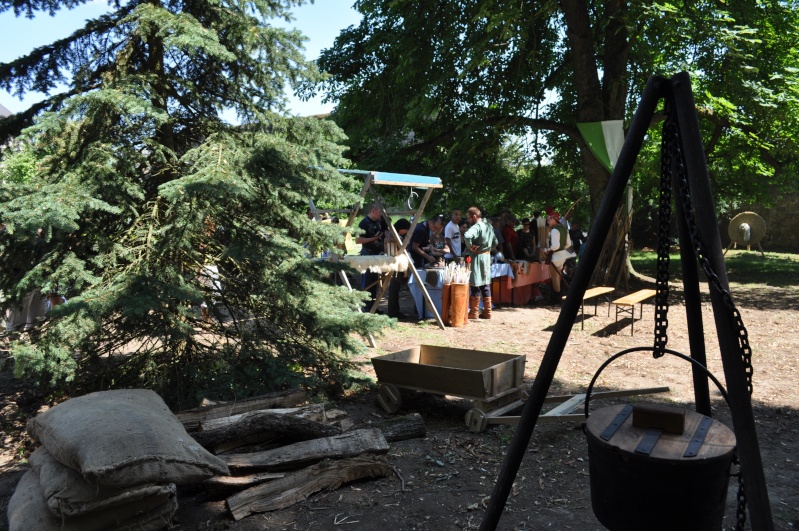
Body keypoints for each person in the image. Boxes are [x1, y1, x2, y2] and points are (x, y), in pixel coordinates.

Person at [463, 206, 498, 320]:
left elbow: (467, 235)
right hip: (487, 257)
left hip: (477, 257)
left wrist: (470, 247)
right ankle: (488, 312)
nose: (468, 220)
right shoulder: (488, 225)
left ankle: (473, 313)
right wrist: (487, 249)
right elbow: (495, 242)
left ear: (474, 216)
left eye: (468, 218)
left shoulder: (477, 226)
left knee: (475, 283)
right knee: (485, 283)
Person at [355, 203, 388, 311]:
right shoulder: (364, 223)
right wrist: (373, 239)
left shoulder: (379, 221)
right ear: (373, 211)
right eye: (380, 212)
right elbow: (358, 240)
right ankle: (366, 307)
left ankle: (373, 307)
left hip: (377, 255)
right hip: (367, 255)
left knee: (375, 283)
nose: (381, 215)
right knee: (368, 282)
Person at [541, 210, 576, 305]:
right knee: (557, 277)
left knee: (555, 277)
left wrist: (547, 250)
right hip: (563, 256)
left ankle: (556, 299)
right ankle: (557, 297)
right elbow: (568, 244)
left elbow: (555, 246)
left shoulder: (555, 230)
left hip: (556, 257)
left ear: (553, 219)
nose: (548, 221)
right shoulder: (564, 228)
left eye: (549, 219)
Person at [386, 218, 412, 318]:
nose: (406, 232)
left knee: (395, 289)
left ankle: (394, 311)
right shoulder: (393, 236)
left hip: (396, 263)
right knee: (394, 288)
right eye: (405, 229)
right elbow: (399, 252)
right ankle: (393, 312)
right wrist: (404, 268)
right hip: (395, 264)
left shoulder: (395, 235)